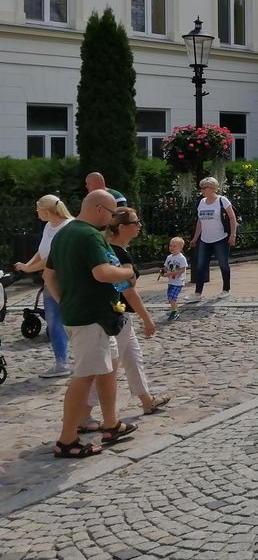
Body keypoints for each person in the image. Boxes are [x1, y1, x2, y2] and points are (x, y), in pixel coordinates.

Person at [44, 190, 138, 458]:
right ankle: (67, 440)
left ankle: (111, 424)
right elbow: (102, 272)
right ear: (99, 209)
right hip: (91, 319)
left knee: (108, 368)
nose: (111, 220)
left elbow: (49, 274)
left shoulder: (64, 232)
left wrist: (64, 300)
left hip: (91, 316)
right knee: (83, 377)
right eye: (110, 214)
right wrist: (128, 272)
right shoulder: (88, 235)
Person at [80, 209, 170, 425]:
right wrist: (147, 318)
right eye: (135, 222)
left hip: (121, 314)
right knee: (107, 365)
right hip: (116, 314)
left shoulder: (116, 250)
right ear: (121, 227)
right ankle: (83, 415)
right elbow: (128, 291)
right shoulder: (117, 253)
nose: (139, 225)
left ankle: (147, 400)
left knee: (133, 358)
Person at [14, 195, 74, 378]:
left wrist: (29, 268)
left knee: (69, 321)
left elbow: (53, 257)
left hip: (66, 279)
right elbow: (42, 252)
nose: (37, 213)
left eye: (38, 209)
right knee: (54, 321)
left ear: (46, 210)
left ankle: (82, 359)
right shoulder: (49, 226)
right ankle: (61, 362)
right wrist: (27, 265)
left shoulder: (68, 227)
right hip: (50, 280)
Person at [190, 177, 237, 300]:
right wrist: (195, 238)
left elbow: (232, 218)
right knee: (200, 266)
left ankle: (226, 289)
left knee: (223, 264)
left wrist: (233, 235)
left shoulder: (222, 200)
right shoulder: (202, 202)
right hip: (205, 239)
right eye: (201, 187)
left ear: (212, 189)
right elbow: (200, 221)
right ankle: (197, 293)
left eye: (204, 187)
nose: (202, 190)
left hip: (220, 238)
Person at [163, 237, 188, 320]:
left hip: (178, 282)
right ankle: (175, 310)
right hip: (171, 281)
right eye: (170, 245)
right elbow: (166, 267)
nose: (172, 248)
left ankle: (174, 312)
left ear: (180, 247)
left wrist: (173, 273)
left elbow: (183, 269)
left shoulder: (181, 258)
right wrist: (164, 272)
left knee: (172, 297)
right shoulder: (169, 257)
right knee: (170, 298)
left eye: (174, 246)